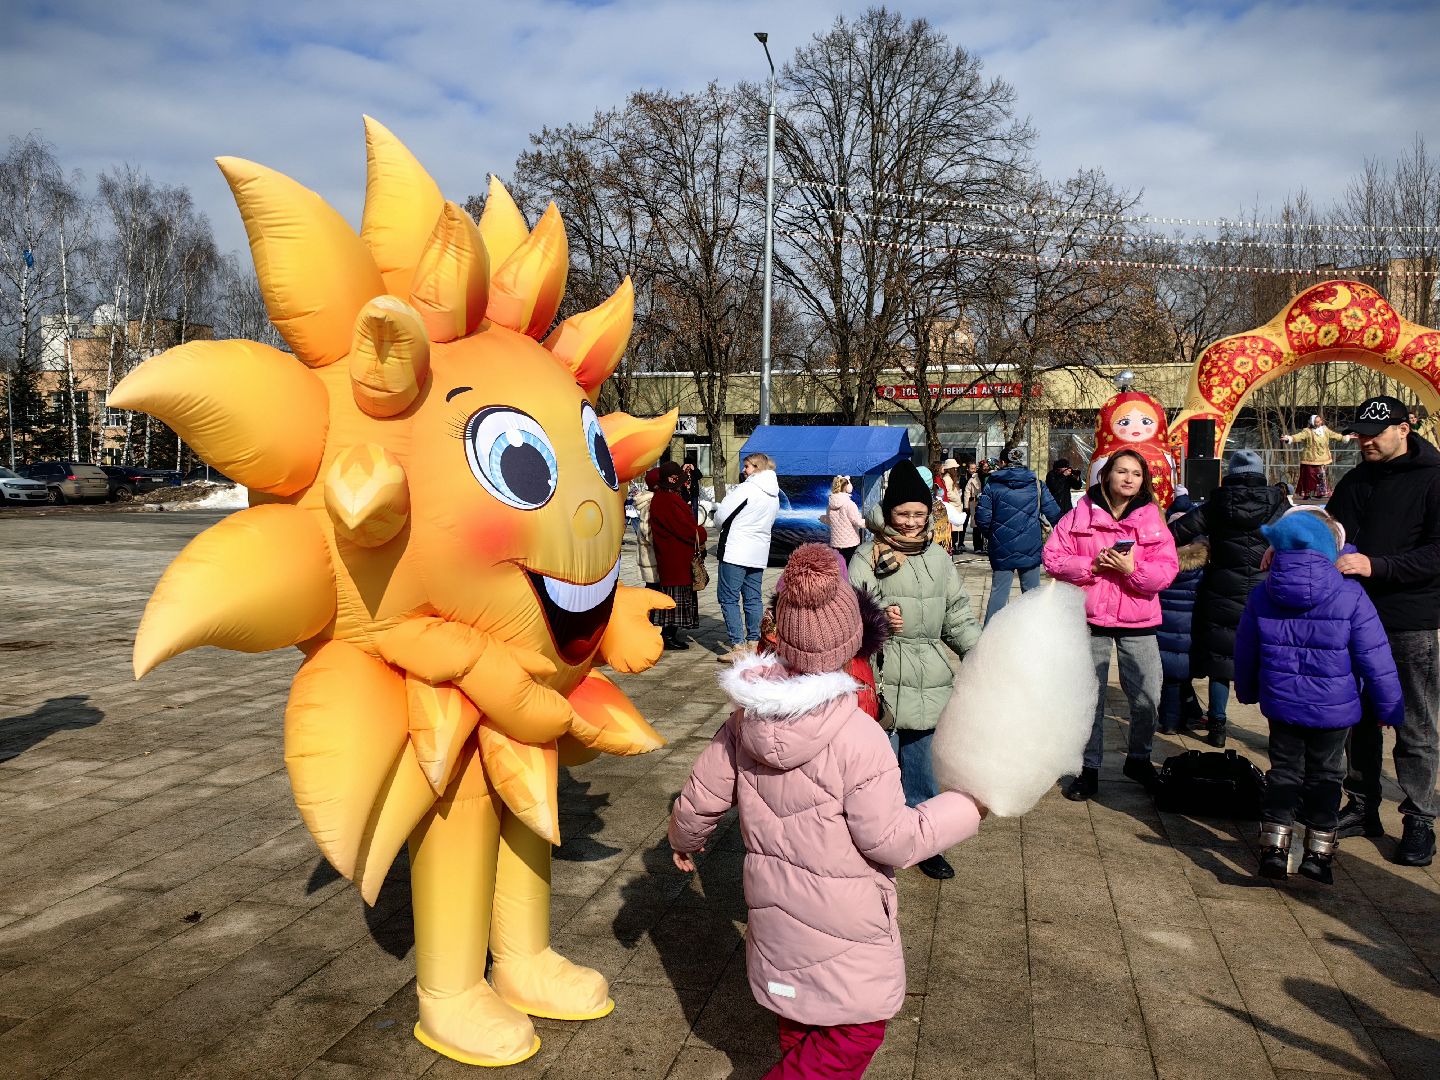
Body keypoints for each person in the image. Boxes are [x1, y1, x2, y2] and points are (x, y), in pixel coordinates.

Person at [668, 543, 986, 1080]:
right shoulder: (859, 735)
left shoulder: (747, 718)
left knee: (800, 1020)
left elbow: (703, 790)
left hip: (775, 907)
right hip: (845, 916)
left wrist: (684, 837)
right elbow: (892, 839)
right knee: (857, 1032)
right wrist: (964, 807)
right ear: (853, 642)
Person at [1235, 509, 1403, 884]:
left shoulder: (1265, 591)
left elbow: (1246, 648)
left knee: (1283, 773)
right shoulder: (1350, 594)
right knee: (1327, 775)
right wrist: (1389, 706)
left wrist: (1246, 689)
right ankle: (1318, 853)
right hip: (1335, 709)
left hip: (1282, 704)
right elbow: (1375, 655)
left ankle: (1274, 848)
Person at [850, 460, 983, 879]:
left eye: (918, 514)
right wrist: (876, 619)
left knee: (922, 773)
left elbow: (957, 614)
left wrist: (981, 654)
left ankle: (927, 843)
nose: (910, 523)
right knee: (880, 773)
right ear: (887, 514)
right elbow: (848, 612)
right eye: (902, 514)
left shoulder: (939, 559)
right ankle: (874, 844)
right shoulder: (867, 556)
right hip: (882, 679)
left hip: (929, 677)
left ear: (930, 514)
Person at [1327, 395, 1440, 866]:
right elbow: (1332, 528)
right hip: (1355, 615)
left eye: (1374, 433)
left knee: (1414, 721)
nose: (1364, 441)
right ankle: (1361, 804)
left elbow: (1437, 554)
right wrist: (1298, 540)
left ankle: (1419, 817)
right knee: (1357, 717)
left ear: (1405, 428)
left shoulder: (1434, 479)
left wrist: (1378, 565)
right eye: (1359, 434)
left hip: (1409, 620)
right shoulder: (1355, 479)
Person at [1043, 448, 1179, 802]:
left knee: (1149, 695)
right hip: (1091, 621)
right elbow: (1053, 559)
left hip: (1140, 621)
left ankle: (1139, 758)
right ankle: (1089, 769)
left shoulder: (1152, 519)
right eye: (1121, 471)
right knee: (1092, 699)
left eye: (1136, 473)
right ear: (1105, 475)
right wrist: (1093, 565)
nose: (1128, 478)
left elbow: (1167, 572)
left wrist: (1132, 570)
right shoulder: (1078, 516)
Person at [1169, 449, 1288, 748]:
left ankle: (1217, 725)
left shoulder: (1216, 505)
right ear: (1261, 473)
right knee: (1268, 662)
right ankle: (1275, 733)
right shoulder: (1279, 505)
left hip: (1221, 590)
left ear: (1229, 474)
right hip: (1267, 595)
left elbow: (1174, 534)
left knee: (1219, 661)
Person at [976, 449, 1063, 624]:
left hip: (1001, 547)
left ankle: (990, 636)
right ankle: (1035, 633)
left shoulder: (992, 486)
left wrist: (994, 536)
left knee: (998, 593)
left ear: (1002, 463)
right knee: (1032, 594)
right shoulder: (1036, 484)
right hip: (1030, 545)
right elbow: (1054, 513)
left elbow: (982, 519)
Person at [713, 452, 780, 663]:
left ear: (757, 468)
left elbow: (722, 515)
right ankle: (754, 643)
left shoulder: (747, 489)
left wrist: (717, 521)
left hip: (736, 549)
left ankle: (738, 645)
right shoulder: (774, 494)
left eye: (748, 466)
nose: (744, 470)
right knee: (752, 598)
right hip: (758, 552)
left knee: (728, 597)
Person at [648, 461, 707, 652]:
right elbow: (685, 529)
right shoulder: (667, 500)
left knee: (674, 596)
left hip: (672, 556)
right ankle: (668, 635)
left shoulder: (664, 498)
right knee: (675, 598)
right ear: (673, 480)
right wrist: (701, 533)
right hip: (675, 558)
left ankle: (669, 634)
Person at [1157, 539, 1208, 735]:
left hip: (1164, 633)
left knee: (1170, 681)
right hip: (1190, 635)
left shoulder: (1164, 567)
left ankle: (1169, 723)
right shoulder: (1202, 574)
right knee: (1181, 679)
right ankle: (1187, 716)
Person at [1281, 414, 1350, 499]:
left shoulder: (1325, 430)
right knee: (1309, 477)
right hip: (1310, 459)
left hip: (1322, 458)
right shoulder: (1307, 431)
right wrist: (1289, 438)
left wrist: (1345, 437)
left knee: (1321, 476)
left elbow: (1335, 435)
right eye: (1316, 422)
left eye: (1319, 421)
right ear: (1312, 422)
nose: (1319, 423)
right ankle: (1307, 493)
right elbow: (1298, 436)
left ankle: (1319, 493)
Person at [822, 475, 866, 564]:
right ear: (847, 487)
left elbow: (829, 521)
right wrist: (869, 522)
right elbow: (858, 522)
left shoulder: (830, 505)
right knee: (850, 568)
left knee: (839, 569)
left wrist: (823, 519)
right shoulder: (849, 504)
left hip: (835, 543)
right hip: (850, 543)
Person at [634, 468, 660, 591]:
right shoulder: (651, 503)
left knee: (652, 589)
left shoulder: (650, 500)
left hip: (649, 558)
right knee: (654, 591)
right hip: (652, 560)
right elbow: (646, 530)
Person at [964, 462, 988, 553]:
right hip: (975, 503)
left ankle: (985, 546)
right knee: (976, 526)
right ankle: (977, 547)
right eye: (984, 467)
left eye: (987, 467)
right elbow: (967, 491)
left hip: (987, 504)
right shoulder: (974, 478)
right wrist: (966, 506)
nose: (986, 468)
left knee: (986, 525)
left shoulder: (991, 477)